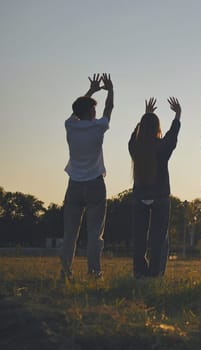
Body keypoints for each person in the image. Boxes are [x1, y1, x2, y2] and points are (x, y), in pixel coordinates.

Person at [60, 73, 114, 280]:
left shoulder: (70, 126)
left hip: (74, 184)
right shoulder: (98, 126)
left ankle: (65, 270)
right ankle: (94, 272)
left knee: (70, 233)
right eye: (93, 108)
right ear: (90, 112)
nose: (96, 110)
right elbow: (109, 109)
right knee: (94, 233)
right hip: (94, 184)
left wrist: (91, 90)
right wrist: (111, 90)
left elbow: (77, 110)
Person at [129, 97, 181, 278]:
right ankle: (155, 273)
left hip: (139, 196)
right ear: (157, 128)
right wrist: (177, 116)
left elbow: (134, 136)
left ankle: (139, 272)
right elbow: (171, 137)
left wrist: (145, 116)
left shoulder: (135, 146)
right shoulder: (161, 146)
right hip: (160, 196)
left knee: (139, 237)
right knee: (159, 238)